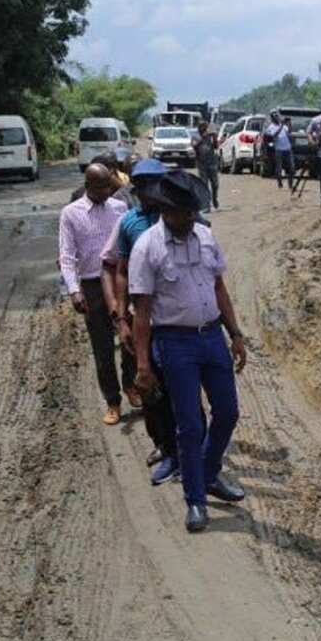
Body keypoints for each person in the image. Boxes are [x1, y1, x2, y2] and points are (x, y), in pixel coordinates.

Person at [129, 170, 248, 533]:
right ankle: (195, 501)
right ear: (166, 211)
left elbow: (219, 287)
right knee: (190, 425)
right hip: (175, 342)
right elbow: (143, 311)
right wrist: (144, 363)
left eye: (192, 213)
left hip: (212, 338)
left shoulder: (206, 237)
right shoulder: (147, 246)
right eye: (183, 214)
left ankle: (209, 473)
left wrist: (236, 334)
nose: (189, 219)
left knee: (227, 412)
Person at [99, 158, 180, 484]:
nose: (149, 193)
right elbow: (119, 271)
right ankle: (163, 444)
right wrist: (121, 317)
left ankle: (184, 445)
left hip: (173, 317)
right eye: (143, 187)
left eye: (155, 186)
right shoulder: (130, 223)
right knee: (148, 388)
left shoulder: (179, 218)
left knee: (180, 386)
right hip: (140, 317)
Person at [59, 163, 137, 425]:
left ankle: (130, 383)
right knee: (102, 347)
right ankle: (112, 401)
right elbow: (67, 257)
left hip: (120, 281)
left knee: (130, 336)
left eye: (109, 185)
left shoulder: (120, 209)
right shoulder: (71, 214)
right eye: (102, 187)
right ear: (89, 186)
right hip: (92, 285)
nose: (108, 191)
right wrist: (73, 291)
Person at [191, 122, 220, 210]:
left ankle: (214, 198)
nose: (204, 130)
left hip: (212, 162)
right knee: (204, 184)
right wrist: (202, 138)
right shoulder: (195, 137)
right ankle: (207, 205)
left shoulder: (210, 137)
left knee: (215, 184)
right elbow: (194, 146)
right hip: (201, 164)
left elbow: (215, 147)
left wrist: (214, 137)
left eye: (205, 128)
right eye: (202, 128)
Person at [264, 111, 295, 189]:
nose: (277, 118)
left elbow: (290, 131)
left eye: (277, 116)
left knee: (292, 167)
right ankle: (280, 183)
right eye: (275, 117)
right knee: (279, 168)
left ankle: (290, 184)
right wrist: (281, 126)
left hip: (288, 149)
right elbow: (274, 135)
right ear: (272, 118)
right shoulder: (271, 127)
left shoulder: (284, 126)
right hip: (279, 150)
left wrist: (289, 123)